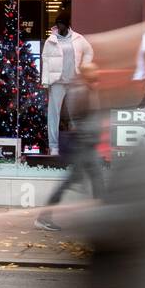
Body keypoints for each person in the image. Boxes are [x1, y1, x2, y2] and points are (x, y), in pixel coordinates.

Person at [35, 58, 105, 231]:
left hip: (88, 146)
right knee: (68, 183)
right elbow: (78, 120)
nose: (97, 76)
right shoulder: (81, 91)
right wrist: (89, 136)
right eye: (94, 73)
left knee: (97, 181)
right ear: (87, 74)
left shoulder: (86, 90)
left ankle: (102, 218)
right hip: (83, 146)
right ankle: (43, 218)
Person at [40, 14, 93, 155]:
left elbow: (89, 52)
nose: (60, 26)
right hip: (57, 82)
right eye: (58, 23)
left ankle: (77, 146)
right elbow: (45, 61)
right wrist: (45, 80)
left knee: (75, 114)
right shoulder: (50, 41)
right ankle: (54, 146)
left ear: (67, 24)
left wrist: (83, 67)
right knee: (53, 114)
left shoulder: (78, 38)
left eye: (62, 23)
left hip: (73, 81)